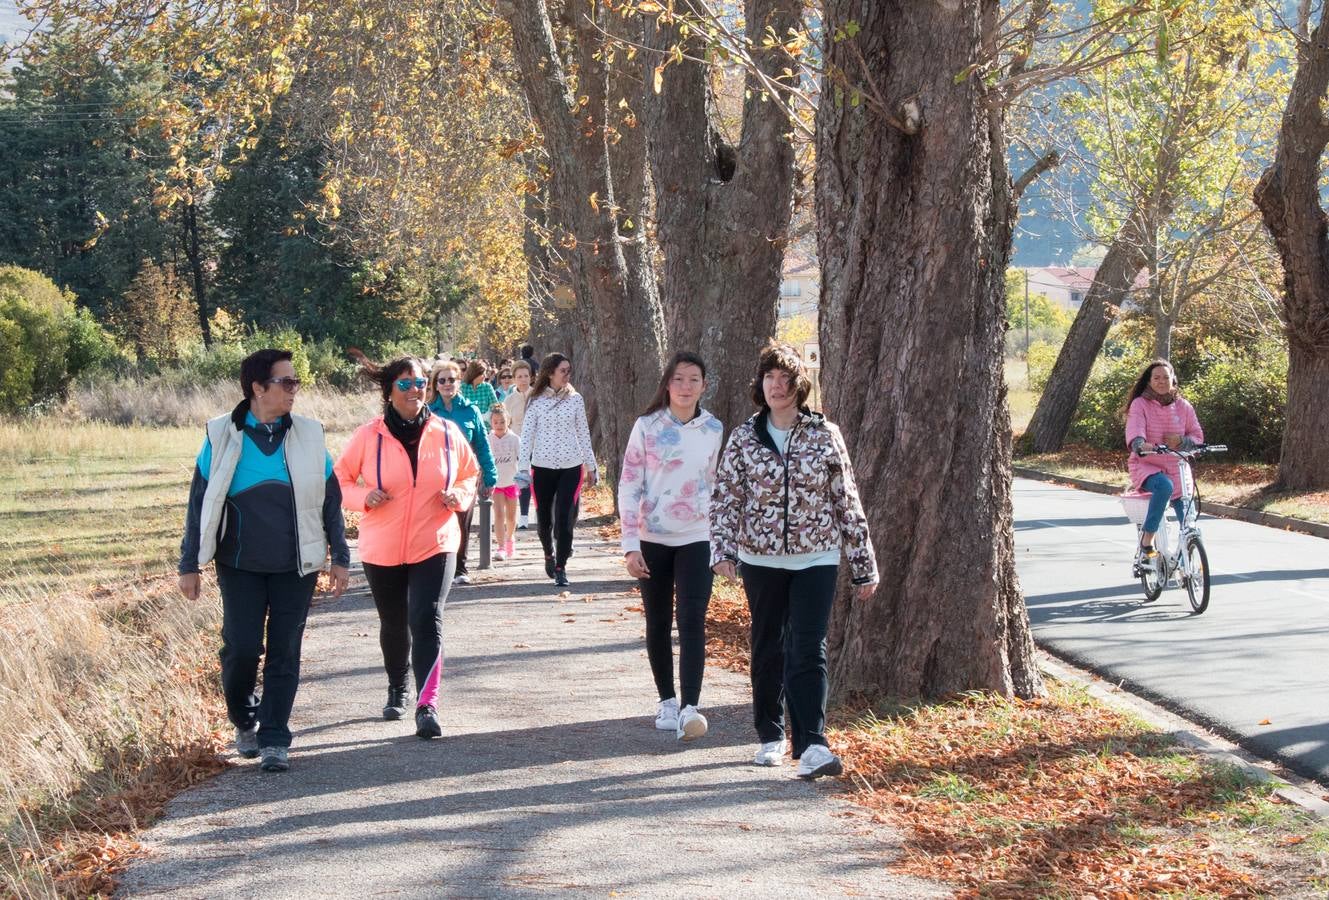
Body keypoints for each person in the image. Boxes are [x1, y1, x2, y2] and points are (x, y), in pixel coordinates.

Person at [710, 342, 878, 780]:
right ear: (760, 384)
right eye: (769, 378)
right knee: (768, 645)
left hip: (817, 556)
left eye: (785, 379)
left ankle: (813, 745)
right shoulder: (744, 436)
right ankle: (770, 734)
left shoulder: (825, 435)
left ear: (799, 387)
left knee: (808, 646)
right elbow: (726, 497)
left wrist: (863, 563)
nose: (776, 386)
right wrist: (723, 550)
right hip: (761, 558)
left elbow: (847, 499)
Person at [178, 349, 351, 773]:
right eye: (286, 382)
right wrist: (189, 563)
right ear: (258, 387)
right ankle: (244, 718)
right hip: (239, 564)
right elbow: (199, 503)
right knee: (241, 648)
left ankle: (275, 737)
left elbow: (330, 501)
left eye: (296, 383)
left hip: (297, 564)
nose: (295, 390)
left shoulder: (309, 435)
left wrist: (340, 556)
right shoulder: (221, 434)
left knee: (285, 650)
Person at [335, 356, 480, 739]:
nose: (415, 389)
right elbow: (339, 480)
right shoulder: (368, 436)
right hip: (382, 545)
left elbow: (470, 473)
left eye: (419, 383)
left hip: (436, 540)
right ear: (390, 391)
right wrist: (365, 497)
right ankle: (397, 686)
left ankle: (427, 704)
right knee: (394, 622)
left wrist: (459, 496)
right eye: (405, 384)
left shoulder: (447, 432)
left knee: (426, 617)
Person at [619, 352, 724, 742]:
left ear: (703, 385)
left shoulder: (713, 428)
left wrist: (721, 541)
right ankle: (667, 700)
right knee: (659, 620)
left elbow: (716, 485)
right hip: (653, 537)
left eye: (693, 380)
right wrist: (631, 545)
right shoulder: (647, 426)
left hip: (697, 536)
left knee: (692, 618)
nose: (685, 387)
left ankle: (691, 707)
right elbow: (629, 483)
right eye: (678, 379)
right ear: (667, 384)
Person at [515, 353, 598, 587]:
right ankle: (548, 554)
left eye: (569, 370)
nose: (567, 375)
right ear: (550, 373)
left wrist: (591, 466)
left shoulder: (575, 399)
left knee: (564, 516)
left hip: (571, 467)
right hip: (542, 467)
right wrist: (522, 468)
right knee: (543, 520)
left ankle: (561, 567)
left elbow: (583, 434)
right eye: (563, 370)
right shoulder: (535, 400)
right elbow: (527, 436)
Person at [1124, 359, 1204, 562]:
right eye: (1156, 378)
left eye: (1166, 377)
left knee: (1189, 518)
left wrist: (1183, 441)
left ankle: (1188, 561)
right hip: (1148, 464)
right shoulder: (1140, 404)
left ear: (1173, 379)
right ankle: (1147, 538)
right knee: (1164, 487)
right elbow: (1135, 429)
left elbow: (1196, 436)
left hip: (1177, 465)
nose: (1162, 381)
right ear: (1149, 381)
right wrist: (1140, 444)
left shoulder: (1184, 406)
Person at [427, 360, 497, 586]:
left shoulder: (471, 410)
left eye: (452, 380)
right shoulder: (428, 412)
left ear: (459, 382)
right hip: (435, 477)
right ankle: (435, 567)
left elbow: (483, 445)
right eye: (442, 380)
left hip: (464, 477)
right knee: (436, 522)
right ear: (435, 384)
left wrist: (490, 474)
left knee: (462, 521)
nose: (447, 384)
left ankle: (460, 567)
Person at [488, 403, 521, 560]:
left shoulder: (514, 439)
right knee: (499, 515)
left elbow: (522, 460)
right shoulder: (489, 439)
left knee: (511, 516)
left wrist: (524, 475)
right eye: (496, 422)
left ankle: (510, 539)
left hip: (511, 482)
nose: (499, 425)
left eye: (502, 421)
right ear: (491, 423)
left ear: (508, 421)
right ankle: (501, 547)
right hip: (496, 484)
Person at [505, 361, 534, 528]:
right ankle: (523, 517)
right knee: (522, 480)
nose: (523, 380)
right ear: (514, 379)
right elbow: (506, 423)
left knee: (538, 482)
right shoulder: (509, 401)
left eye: (526, 376)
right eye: (519, 377)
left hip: (538, 445)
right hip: (518, 444)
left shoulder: (538, 396)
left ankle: (541, 512)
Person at [459, 360, 499, 428]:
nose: (485, 376)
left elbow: (496, 406)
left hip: (485, 427)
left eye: (485, 373)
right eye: (482, 374)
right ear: (474, 374)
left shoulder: (487, 387)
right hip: (467, 426)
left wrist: (486, 416)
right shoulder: (462, 388)